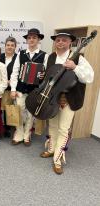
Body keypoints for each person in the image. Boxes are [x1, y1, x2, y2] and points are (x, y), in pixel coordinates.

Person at [40, 32, 94, 175]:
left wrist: (75, 67)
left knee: (63, 129)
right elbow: (48, 77)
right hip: (52, 98)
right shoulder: (50, 57)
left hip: (69, 99)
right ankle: (51, 150)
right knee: (52, 125)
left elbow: (89, 77)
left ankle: (57, 159)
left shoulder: (79, 58)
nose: (60, 42)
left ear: (70, 43)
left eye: (64, 40)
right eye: (58, 40)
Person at [10, 28, 48, 146]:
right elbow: (15, 72)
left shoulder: (44, 55)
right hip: (21, 88)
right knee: (20, 110)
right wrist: (13, 89)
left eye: (34, 37)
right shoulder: (21, 54)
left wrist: (43, 74)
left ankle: (27, 134)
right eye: (29, 38)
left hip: (35, 90)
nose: (31, 40)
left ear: (39, 39)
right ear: (27, 40)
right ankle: (19, 132)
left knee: (31, 113)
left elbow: (46, 74)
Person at [0, 37, 18, 137]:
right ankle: (0, 128)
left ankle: (9, 128)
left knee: (10, 108)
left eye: (12, 45)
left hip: (11, 88)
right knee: (0, 109)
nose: (10, 47)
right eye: (8, 45)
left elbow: (20, 72)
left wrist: (12, 82)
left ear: (15, 47)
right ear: (5, 46)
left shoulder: (18, 58)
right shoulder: (0, 57)